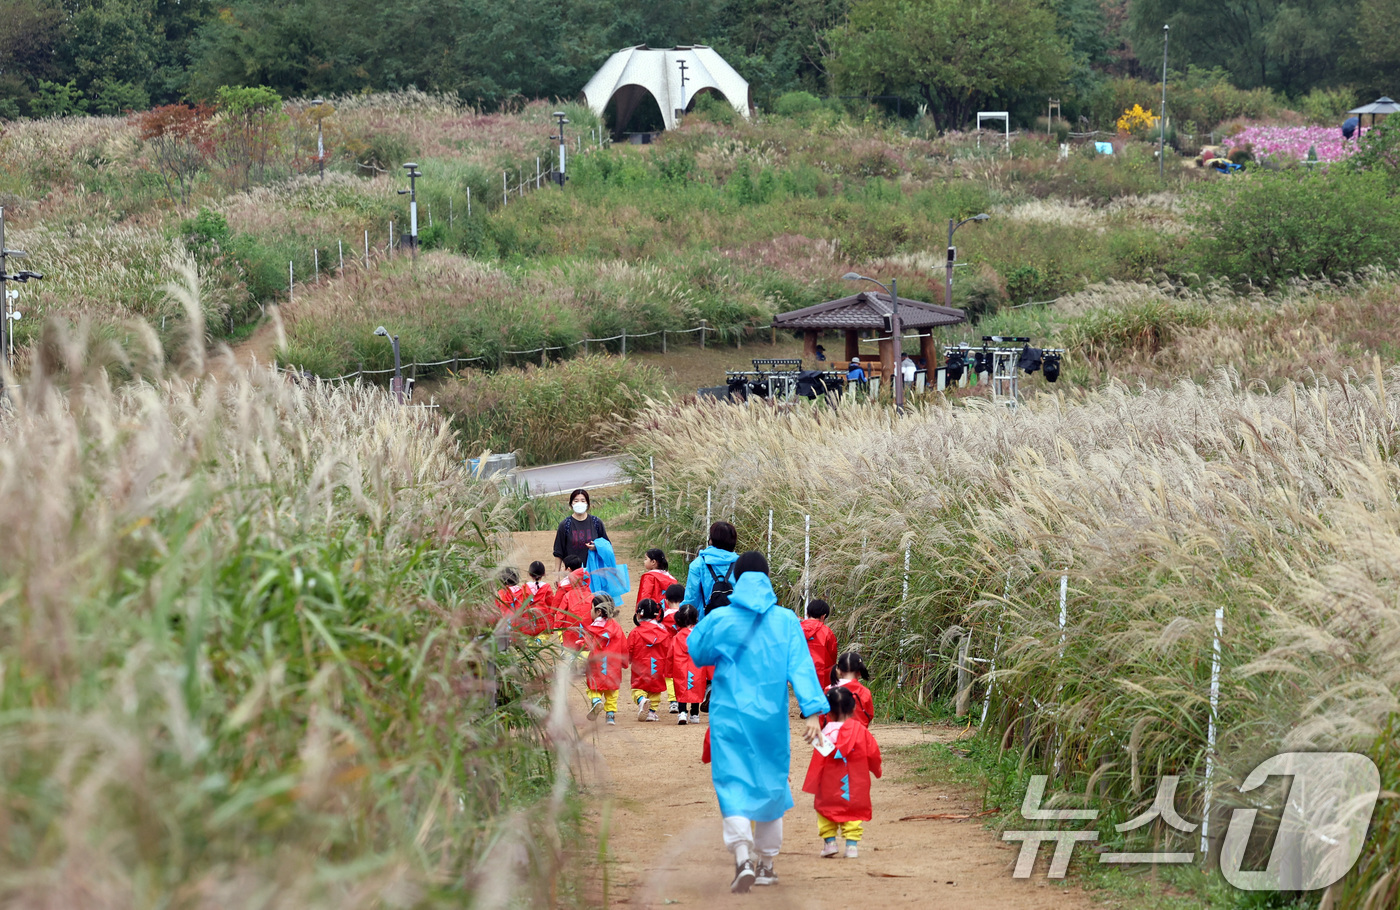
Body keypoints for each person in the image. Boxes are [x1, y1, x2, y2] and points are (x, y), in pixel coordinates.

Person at [688, 551, 828, 893]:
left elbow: (697, 651)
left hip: (730, 717)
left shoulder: (722, 618)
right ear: (767, 579)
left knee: (731, 784)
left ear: (736, 578)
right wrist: (811, 710)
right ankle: (766, 864)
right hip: (770, 718)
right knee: (771, 785)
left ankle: (742, 858)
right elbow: (802, 667)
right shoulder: (786, 621)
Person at [803, 686, 882, 859]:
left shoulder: (824, 733)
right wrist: (876, 770)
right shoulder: (862, 731)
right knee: (853, 812)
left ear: (828, 711)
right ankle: (851, 846)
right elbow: (873, 753)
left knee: (825, 811)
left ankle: (830, 843)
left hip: (829, 784)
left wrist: (814, 783)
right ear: (854, 707)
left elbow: (818, 762)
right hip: (855, 783)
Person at [585, 594, 628, 725]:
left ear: (598, 611)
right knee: (612, 693)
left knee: (593, 688)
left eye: (591, 608)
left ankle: (596, 701)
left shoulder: (592, 629)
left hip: (596, 665)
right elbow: (624, 647)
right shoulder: (617, 628)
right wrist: (624, 663)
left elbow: (586, 645)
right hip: (613, 666)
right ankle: (610, 716)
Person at [683, 521, 740, 619]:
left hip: (706, 622)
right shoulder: (741, 563)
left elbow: (691, 599)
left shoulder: (698, 564)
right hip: (735, 622)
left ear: (711, 540)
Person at [628, 599, 671, 721]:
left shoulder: (635, 632)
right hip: (657, 667)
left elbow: (629, 649)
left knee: (637, 689)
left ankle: (642, 701)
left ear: (639, 614)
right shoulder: (664, 633)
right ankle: (651, 712)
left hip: (640, 666)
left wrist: (628, 660)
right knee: (655, 690)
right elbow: (669, 651)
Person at [552, 489, 610, 572]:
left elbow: (607, 545)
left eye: (583, 501)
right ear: (571, 504)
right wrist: (557, 575)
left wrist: (596, 547)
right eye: (576, 501)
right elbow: (558, 552)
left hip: (594, 571)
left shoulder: (596, 523)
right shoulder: (565, 525)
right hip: (572, 573)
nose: (579, 503)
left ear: (587, 503)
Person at [669, 604, 707, 725]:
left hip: (680, 666)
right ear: (696, 618)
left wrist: (668, 671)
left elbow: (670, 655)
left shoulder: (677, 637)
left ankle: (682, 712)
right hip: (697, 666)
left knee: (681, 688)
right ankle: (695, 714)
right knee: (697, 688)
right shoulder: (700, 636)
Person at [554, 555, 594, 652]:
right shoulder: (585, 583)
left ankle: (564, 648)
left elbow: (557, 604)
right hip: (585, 617)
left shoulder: (564, 585)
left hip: (568, 619)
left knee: (568, 639)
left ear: (568, 569)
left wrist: (556, 620)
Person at [801, 600, 839, 691]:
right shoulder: (827, 632)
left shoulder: (797, 628)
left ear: (807, 613)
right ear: (824, 616)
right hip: (821, 676)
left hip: (801, 674)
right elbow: (833, 654)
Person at [830, 651, 874, 726]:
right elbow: (869, 715)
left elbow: (822, 715)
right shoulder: (864, 692)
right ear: (860, 672)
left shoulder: (829, 690)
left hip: (833, 733)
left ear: (838, 670)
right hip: (858, 733)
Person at [636, 549, 678, 620]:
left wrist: (641, 610)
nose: (644, 561)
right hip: (666, 612)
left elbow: (645, 594)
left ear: (653, 562)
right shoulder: (669, 577)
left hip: (650, 611)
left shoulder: (649, 576)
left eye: (646, 559)